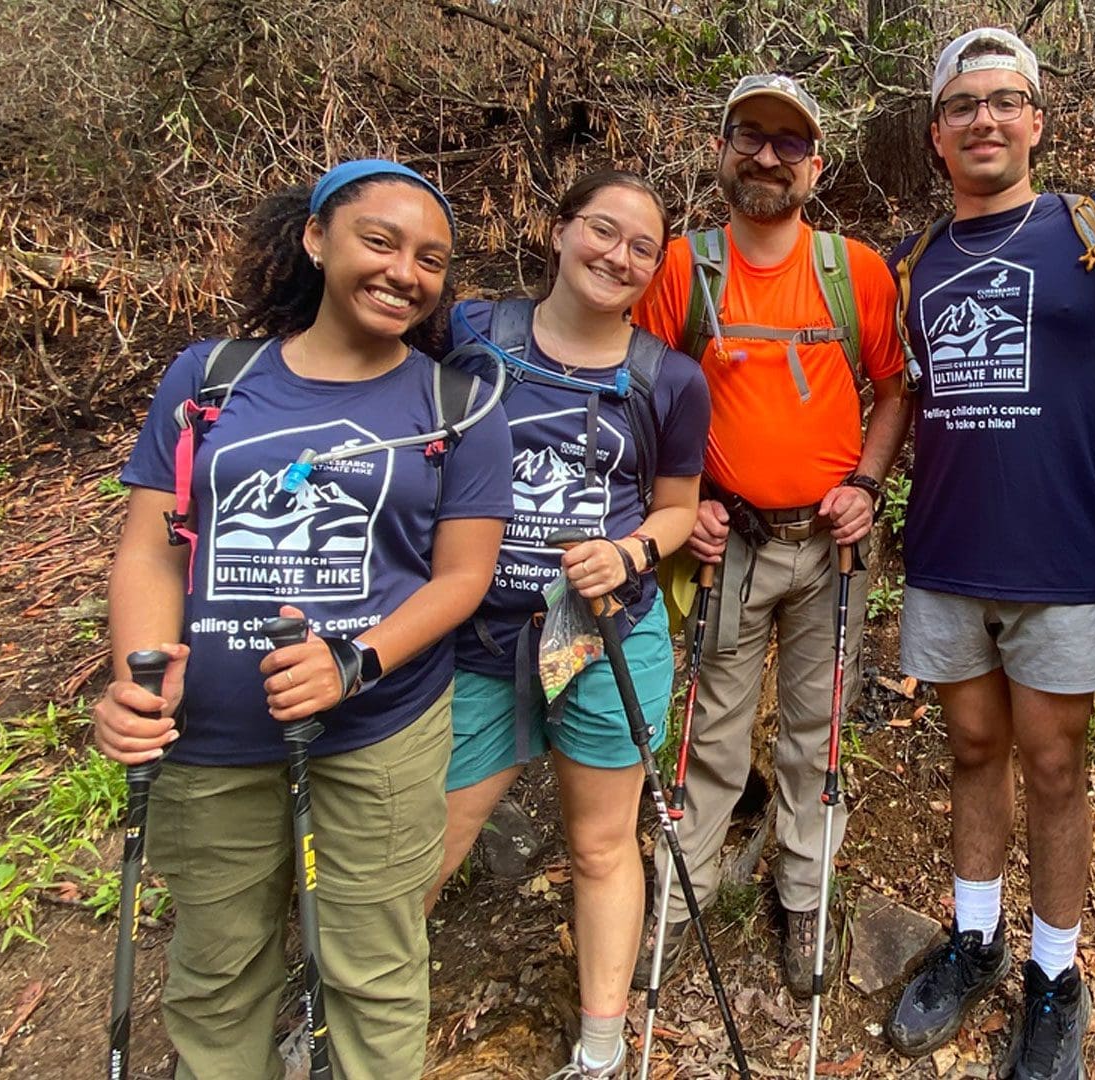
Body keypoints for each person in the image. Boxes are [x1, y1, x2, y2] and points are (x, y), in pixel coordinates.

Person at [92, 159, 514, 1078]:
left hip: (379, 734)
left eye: (432, 259)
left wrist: (354, 662)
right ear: (316, 239)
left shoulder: (457, 404)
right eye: (381, 241)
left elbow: (460, 577)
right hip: (207, 733)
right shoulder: (209, 380)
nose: (406, 271)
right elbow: (153, 549)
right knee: (216, 974)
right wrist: (136, 676)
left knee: (374, 970)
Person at [880, 28, 1095, 1080]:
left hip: (1065, 558)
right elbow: (895, 397)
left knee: (1054, 765)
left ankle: (1055, 974)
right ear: (937, 134)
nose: (984, 120)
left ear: (1037, 122)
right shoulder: (915, 262)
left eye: (1005, 101)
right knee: (970, 756)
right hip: (950, 556)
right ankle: (978, 940)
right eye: (962, 106)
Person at [424, 169, 710, 1079]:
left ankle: (599, 1048)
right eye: (601, 229)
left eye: (640, 248)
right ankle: (348, 1009)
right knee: (432, 836)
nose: (615, 256)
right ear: (558, 230)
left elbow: (676, 508)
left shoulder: (669, 378)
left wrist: (630, 553)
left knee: (600, 843)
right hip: (472, 634)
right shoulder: (471, 333)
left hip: (607, 636)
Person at [629, 73, 908, 995]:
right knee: (710, 730)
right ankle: (679, 902)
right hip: (728, 543)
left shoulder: (854, 270)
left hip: (829, 544)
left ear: (815, 166)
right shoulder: (680, 266)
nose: (766, 157)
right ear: (721, 149)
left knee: (815, 730)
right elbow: (642, 392)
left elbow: (895, 387)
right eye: (749, 135)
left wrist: (867, 483)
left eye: (789, 144)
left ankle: (804, 893)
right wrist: (684, 500)